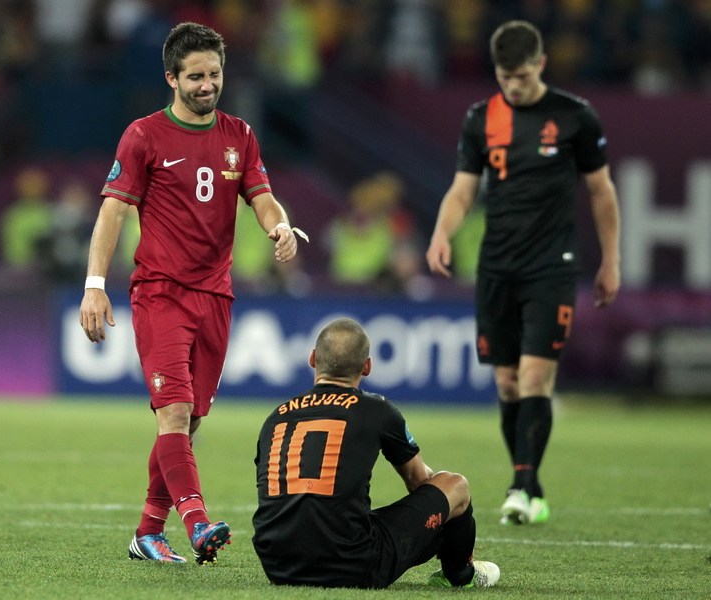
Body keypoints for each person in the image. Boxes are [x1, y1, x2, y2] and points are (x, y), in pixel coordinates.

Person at [79, 22, 305, 564]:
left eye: (215, 74)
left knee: (190, 421)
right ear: (171, 78)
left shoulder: (240, 135)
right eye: (196, 76)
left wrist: (278, 225)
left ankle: (147, 532)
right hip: (160, 292)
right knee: (174, 414)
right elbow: (113, 209)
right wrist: (94, 285)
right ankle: (197, 523)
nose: (208, 84)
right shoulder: (144, 136)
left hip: (215, 296)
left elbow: (262, 195)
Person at [426, 20, 621, 526]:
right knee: (509, 383)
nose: (511, 86)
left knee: (537, 375)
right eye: (503, 77)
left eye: (520, 75)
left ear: (540, 64)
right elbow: (464, 188)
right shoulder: (480, 118)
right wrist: (442, 233)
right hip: (497, 266)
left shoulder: (575, 117)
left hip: (551, 265)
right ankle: (528, 482)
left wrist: (611, 259)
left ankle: (523, 484)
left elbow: (601, 191)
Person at [252, 317, 500, 589]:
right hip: (351, 565)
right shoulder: (377, 410)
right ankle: (461, 572)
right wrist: (452, 526)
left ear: (313, 359)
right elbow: (419, 482)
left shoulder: (276, 417)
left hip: (277, 566)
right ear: (367, 367)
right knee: (456, 487)